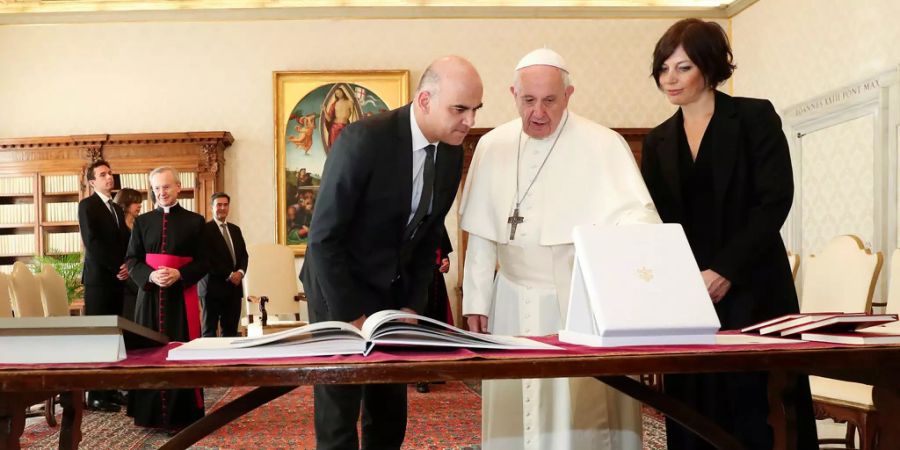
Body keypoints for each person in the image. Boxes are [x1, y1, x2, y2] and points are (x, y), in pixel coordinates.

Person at [459, 48, 659, 450]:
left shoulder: (603, 144)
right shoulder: (492, 146)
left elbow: (638, 219)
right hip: (511, 298)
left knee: (582, 413)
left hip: (578, 300)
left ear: (569, 94)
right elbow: (481, 233)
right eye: (527, 100)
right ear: (512, 93)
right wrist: (475, 301)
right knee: (517, 410)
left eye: (549, 100)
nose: (538, 112)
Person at [640, 18, 818, 450]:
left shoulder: (754, 116)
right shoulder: (658, 140)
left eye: (682, 67)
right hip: (689, 292)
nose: (670, 78)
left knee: (755, 405)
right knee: (691, 405)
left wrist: (724, 270)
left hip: (754, 285)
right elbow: (655, 222)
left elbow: (774, 200)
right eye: (664, 68)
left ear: (710, 66)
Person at [299, 55, 483, 450]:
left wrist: (411, 307)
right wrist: (353, 315)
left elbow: (429, 234)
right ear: (424, 100)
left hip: (391, 292)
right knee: (339, 410)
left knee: (389, 406)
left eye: (474, 110)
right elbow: (323, 239)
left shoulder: (451, 152)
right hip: (338, 287)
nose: (469, 121)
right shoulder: (364, 139)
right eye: (459, 109)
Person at [126, 166, 208, 429]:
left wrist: (179, 274)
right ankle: (149, 416)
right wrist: (150, 276)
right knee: (148, 354)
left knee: (180, 353)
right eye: (157, 188)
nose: (161, 192)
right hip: (149, 299)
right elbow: (132, 260)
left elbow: (205, 261)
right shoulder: (142, 221)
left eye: (166, 186)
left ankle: (182, 416)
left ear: (178, 187)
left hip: (180, 301)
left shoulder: (195, 221)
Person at [77, 159, 130, 412]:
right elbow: (93, 242)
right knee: (99, 337)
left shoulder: (117, 208)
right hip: (99, 280)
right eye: (103, 174)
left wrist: (128, 264)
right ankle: (95, 394)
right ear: (92, 181)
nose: (109, 178)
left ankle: (111, 388)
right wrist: (116, 266)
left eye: (110, 173)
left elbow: (124, 241)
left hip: (118, 279)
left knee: (114, 337)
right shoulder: (87, 206)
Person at [199, 192, 248, 337]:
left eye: (225, 205)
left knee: (231, 332)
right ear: (212, 207)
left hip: (233, 289)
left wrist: (240, 272)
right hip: (211, 288)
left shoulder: (235, 229)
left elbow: (244, 255)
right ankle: (210, 361)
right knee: (209, 331)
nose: (222, 208)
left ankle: (230, 360)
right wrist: (229, 274)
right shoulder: (204, 230)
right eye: (218, 205)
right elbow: (206, 259)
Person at [416, 228, 454, 394]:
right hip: (414, 281)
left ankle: (435, 369)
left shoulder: (437, 218)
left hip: (435, 281)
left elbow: (443, 254)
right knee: (419, 327)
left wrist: (445, 262)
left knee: (436, 325)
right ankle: (419, 375)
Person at [112, 187, 143, 321]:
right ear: (125, 203)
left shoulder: (139, 225)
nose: (140, 205)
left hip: (137, 276)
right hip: (122, 280)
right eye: (136, 202)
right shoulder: (115, 226)